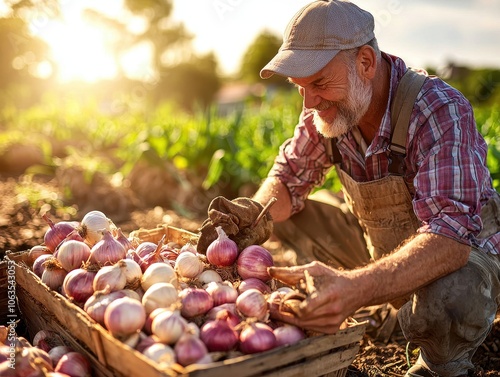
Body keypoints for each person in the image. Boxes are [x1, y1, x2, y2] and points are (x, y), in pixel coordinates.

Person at [207, 1, 500, 377]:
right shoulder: (326, 108)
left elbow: (450, 240)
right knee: (284, 214)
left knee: (451, 295)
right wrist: (252, 211)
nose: (309, 102)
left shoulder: (437, 110)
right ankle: (384, 295)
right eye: (299, 88)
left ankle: (438, 362)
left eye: (318, 84)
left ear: (365, 63)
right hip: (383, 247)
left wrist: (356, 288)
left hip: (458, 256)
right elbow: (288, 176)